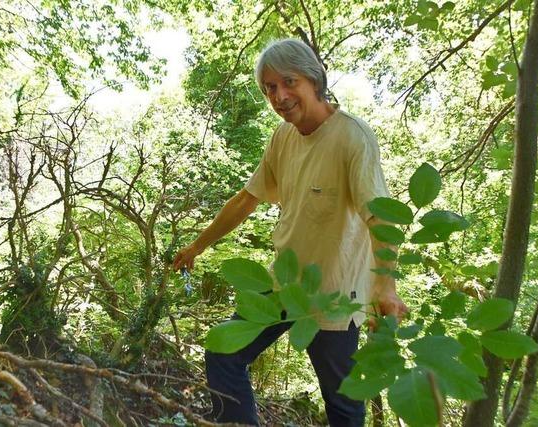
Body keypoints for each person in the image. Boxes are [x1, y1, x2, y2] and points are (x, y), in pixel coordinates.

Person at [173, 38, 408, 427]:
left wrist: (385, 285)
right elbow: (245, 200)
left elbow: (381, 218)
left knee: (344, 406)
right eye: (269, 88)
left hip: (334, 296)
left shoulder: (352, 137)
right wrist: (197, 245)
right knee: (223, 353)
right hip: (283, 282)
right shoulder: (282, 138)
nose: (279, 96)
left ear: (313, 79)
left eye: (288, 82)